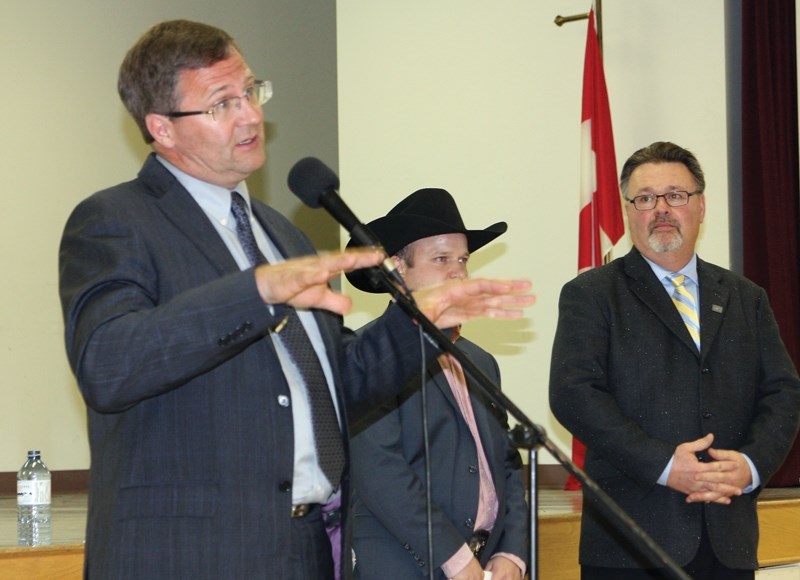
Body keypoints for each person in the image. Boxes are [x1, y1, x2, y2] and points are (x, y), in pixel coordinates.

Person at [58, 20, 534, 580]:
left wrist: (418, 325)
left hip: (304, 548)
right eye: (221, 104)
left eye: (251, 92)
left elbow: (339, 389)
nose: (251, 115)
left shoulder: (281, 236)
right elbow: (106, 364)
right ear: (162, 127)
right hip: (189, 553)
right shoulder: (117, 221)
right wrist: (252, 292)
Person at [549, 141, 800, 579]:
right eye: (645, 199)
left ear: (701, 206)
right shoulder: (591, 294)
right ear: (629, 211)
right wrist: (664, 465)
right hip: (629, 545)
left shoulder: (746, 297)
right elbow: (574, 394)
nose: (661, 209)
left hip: (728, 540)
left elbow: (782, 392)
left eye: (676, 195)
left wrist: (750, 465)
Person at [345, 188, 529, 580]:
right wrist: (457, 558)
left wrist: (513, 551)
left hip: (487, 565)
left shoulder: (481, 362)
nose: (458, 273)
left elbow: (509, 463)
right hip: (407, 566)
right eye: (441, 259)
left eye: (462, 260)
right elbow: (380, 471)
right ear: (397, 268)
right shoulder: (366, 358)